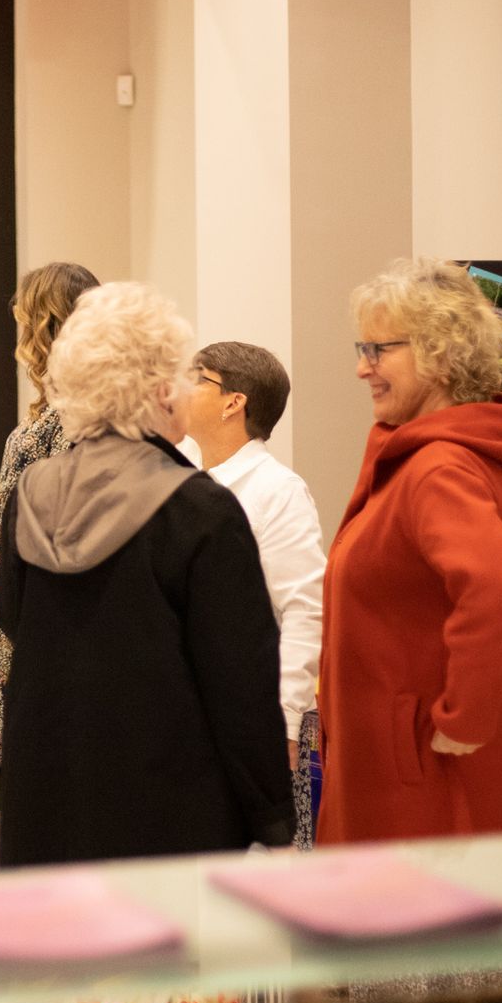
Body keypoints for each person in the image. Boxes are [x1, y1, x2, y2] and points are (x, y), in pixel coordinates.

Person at [0, 285, 293, 867]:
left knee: (62, 952)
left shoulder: (32, 493)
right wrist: (271, 812)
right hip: (166, 803)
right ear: (159, 391)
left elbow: (13, 619)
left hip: (47, 789)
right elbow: (240, 678)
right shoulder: (198, 509)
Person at [319, 258, 502, 844]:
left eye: (378, 350)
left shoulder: (439, 465)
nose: (362, 368)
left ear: (438, 352)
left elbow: (491, 581)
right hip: (405, 768)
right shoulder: (433, 456)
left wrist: (466, 718)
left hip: (421, 784)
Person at [180, 341, 328, 846]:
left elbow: (305, 611)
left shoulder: (277, 491)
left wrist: (284, 720)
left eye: (197, 377)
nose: (181, 386)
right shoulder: (186, 477)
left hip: (252, 718)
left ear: (232, 402)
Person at [0, 261, 100, 766]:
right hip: (26, 605)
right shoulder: (56, 408)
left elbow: (53, 519)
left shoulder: (74, 418)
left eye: (25, 320)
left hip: (45, 617)